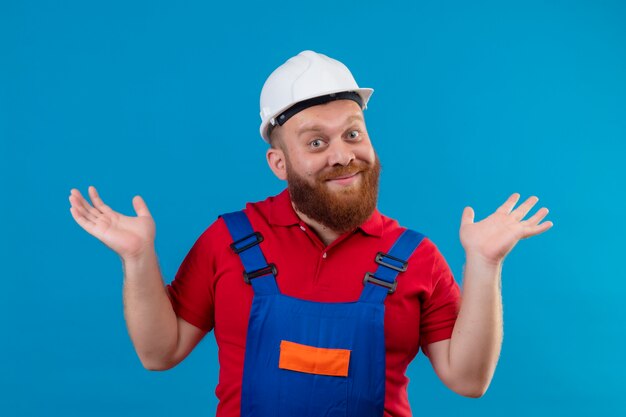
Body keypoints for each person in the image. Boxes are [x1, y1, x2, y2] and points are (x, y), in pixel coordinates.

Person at [69, 50, 553, 417]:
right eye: (317, 142)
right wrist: (137, 259)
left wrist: (485, 265)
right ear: (279, 164)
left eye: (353, 133)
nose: (342, 154)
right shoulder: (230, 241)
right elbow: (160, 352)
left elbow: (468, 380)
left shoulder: (416, 256)